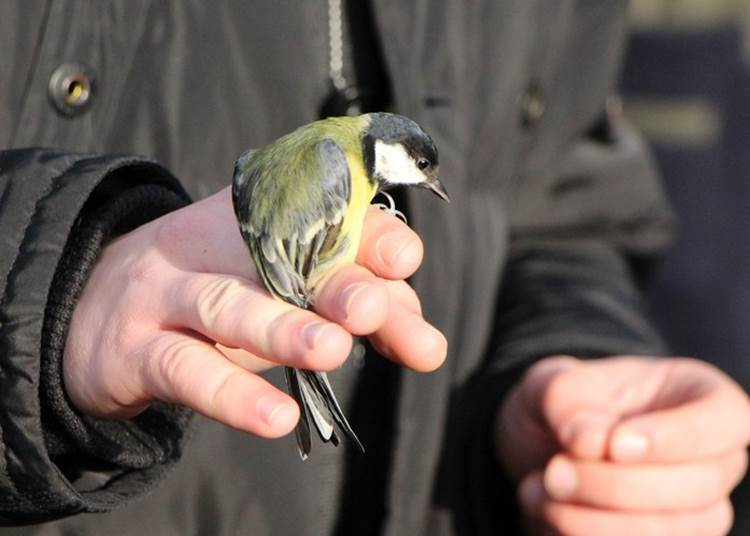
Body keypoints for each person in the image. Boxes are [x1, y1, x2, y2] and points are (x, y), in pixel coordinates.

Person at [1, 2, 748, 535]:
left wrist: (555, 370)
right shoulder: (338, 159)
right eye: (416, 172)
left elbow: (558, 207)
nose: (423, 185)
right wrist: (45, 304)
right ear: (384, 153)